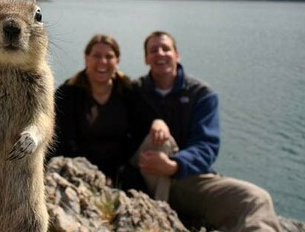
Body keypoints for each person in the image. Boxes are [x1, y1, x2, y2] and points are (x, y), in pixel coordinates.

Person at [133, 31, 281, 232]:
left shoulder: (201, 95)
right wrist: (156, 123)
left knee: (256, 199)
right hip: (144, 176)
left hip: (187, 180)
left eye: (166, 48)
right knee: (159, 141)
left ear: (177, 55)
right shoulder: (134, 91)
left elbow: (207, 146)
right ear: (146, 58)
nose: (160, 53)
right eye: (153, 50)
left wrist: (174, 165)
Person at [50, 34, 137, 186]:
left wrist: (158, 123)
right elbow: (62, 140)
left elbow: (142, 129)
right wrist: (92, 175)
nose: (102, 61)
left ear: (118, 61)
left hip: (120, 170)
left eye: (109, 56)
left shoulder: (129, 91)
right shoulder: (69, 93)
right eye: (96, 55)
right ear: (86, 58)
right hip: (78, 169)